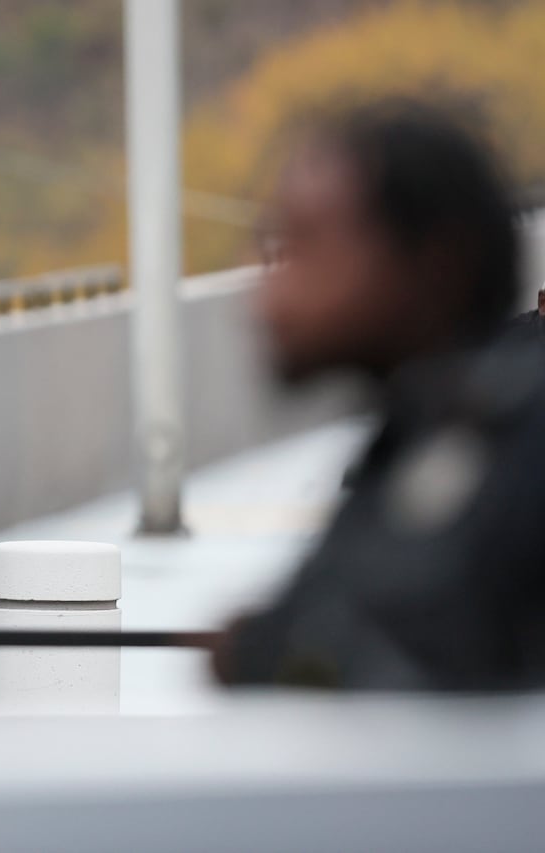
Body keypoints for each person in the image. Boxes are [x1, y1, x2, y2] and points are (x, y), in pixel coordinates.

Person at [213, 99, 545, 691]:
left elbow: (398, 643)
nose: (268, 295)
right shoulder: (416, 435)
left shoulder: (508, 442)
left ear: (436, 261)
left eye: (306, 246)